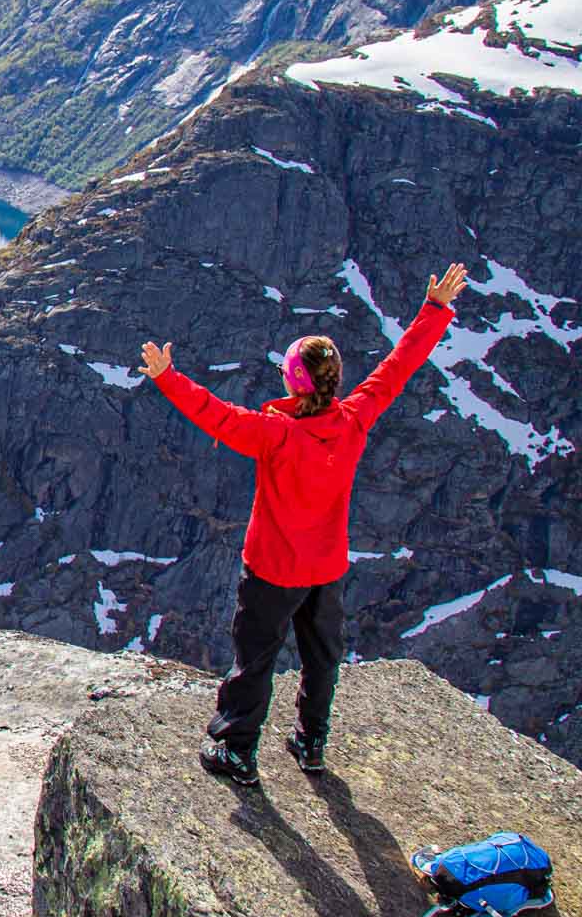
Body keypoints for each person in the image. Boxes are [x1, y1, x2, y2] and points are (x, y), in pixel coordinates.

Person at [139, 262, 468, 786]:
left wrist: (166, 377)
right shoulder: (355, 418)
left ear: (294, 381)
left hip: (273, 567)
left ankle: (238, 751)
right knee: (321, 658)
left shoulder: (277, 434)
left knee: (255, 659)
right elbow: (398, 367)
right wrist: (435, 311)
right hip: (326, 566)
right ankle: (312, 743)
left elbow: (217, 415)